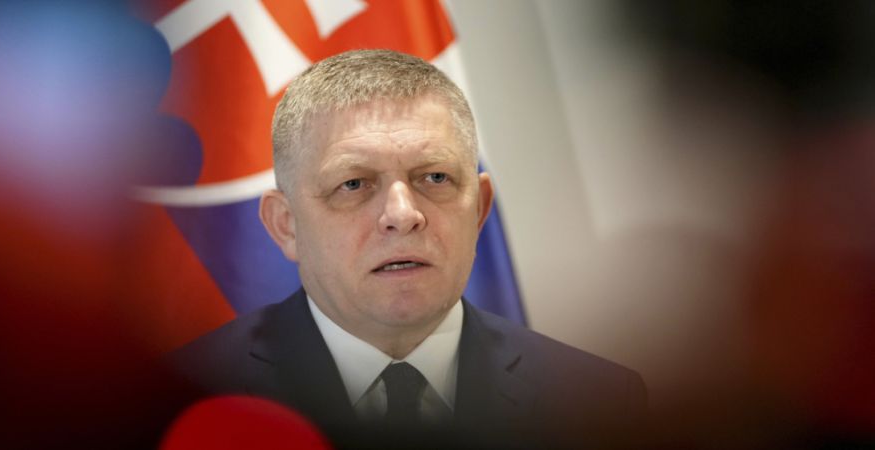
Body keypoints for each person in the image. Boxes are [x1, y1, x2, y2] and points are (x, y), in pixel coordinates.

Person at [169, 49, 647, 448]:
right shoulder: (177, 400)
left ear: (478, 210)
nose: (403, 213)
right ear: (286, 226)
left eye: (435, 177)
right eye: (354, 183)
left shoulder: (600, 401)